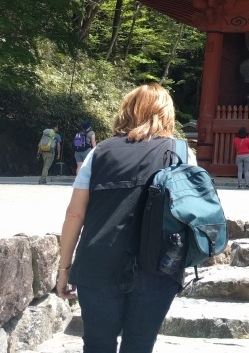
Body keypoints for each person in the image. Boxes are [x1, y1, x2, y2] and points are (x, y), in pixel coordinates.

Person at [55, 83, 194, 353]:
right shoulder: (182, 153)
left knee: (97, 344)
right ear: (166, 113)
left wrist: (64, 269)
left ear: (127, 110)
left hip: (97, 262)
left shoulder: (99, 152)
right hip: (159, 266)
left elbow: (75, 213)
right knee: (140, 345)